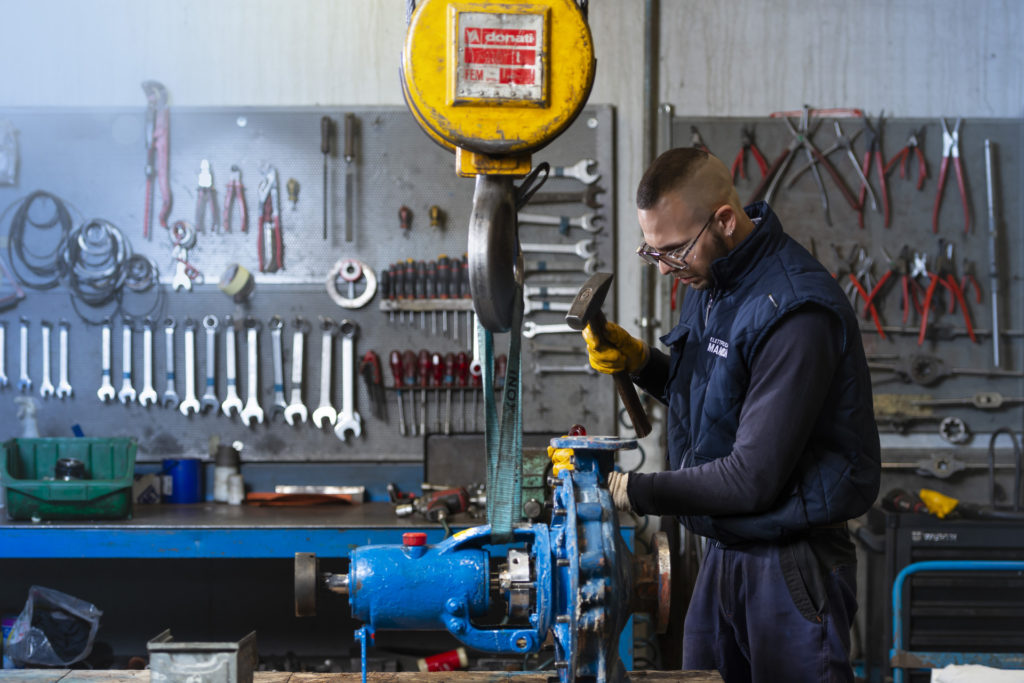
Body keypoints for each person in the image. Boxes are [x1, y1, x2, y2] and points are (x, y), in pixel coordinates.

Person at [584, 148, 880, 683]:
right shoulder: (712, 282)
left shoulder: (796, 312)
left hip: (790, 564)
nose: (668, 269)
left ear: (724, 219)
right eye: (653, 254)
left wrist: (634, 491)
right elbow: (718, 405)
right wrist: (644, 363)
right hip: (724, 552)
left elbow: (751, 478)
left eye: (674, 251)